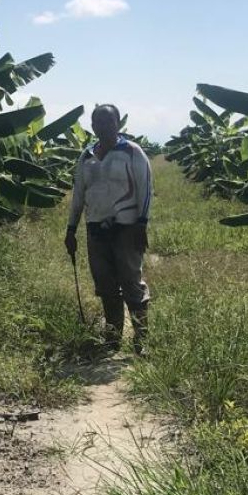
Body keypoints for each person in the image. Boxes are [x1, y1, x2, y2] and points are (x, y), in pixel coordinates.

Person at [65, 104, 154, 354]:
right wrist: (71, 229)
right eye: (98, 122)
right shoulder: (86, 157)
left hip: (126, 228)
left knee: (131, 282)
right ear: (92, 126)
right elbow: (78, 195)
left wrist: (142, 223)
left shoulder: (132, 152)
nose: (103, 126)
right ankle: (113, 338)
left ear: (118, 124)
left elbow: (146, 189)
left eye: (109, 121)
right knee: (105, 284)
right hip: (96, 231)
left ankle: (141, 341)